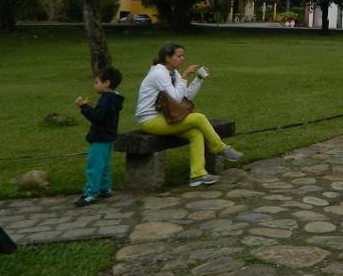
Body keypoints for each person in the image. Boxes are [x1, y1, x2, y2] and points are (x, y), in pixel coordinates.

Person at [135, 41, 243, 186]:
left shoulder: (172, 73)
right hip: (150, 121)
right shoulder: (159, 73)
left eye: (183, 56)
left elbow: (185, 96)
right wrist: (185, 75)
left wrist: (198, 79)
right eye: (179, 56)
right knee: (199, 118)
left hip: (165, 118)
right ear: (167, 57)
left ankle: (197, 174)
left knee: (195, 133)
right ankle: (220, 148)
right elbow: (175, 97)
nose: (182, 59)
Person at [74, 66, 125, 207]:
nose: (94, 85)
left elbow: (97, 117)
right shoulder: (114, 98)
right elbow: (103, 114)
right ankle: (104, 188)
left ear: (106, 83)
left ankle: (90, 193)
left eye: (97, 82)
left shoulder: (106, 99)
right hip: (108, 137)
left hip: (100, 137)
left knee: (94, 165)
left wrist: (84, 107)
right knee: (104, 165)